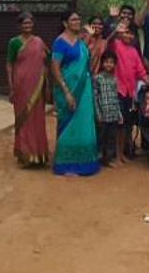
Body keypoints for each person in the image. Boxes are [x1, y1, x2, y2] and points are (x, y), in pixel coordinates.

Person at [49, 12, 100, 177]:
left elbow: (83, 57)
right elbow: (55, 68)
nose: (77, 22)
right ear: (65, 23)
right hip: (67, 89)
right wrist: (66, 91)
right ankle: (65, 164)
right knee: (67, 124)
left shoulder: (80, 41)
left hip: (84, 89)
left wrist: (89, 37)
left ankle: (85, 163)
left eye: (79, 19)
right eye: (73, 19)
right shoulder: (60, 42)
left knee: (84, 123)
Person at [6, 12, 51, 168]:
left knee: (37, 118)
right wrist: (11, 86)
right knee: (22, 118)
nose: (27, 26)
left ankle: (38, 154)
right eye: (25, 23)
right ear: (20, 26)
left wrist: (46, 83)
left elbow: (47, 60)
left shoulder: (38, 42)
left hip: (37, 85)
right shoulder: (14, 43)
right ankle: (25, 154)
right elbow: (9, 64)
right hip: (20, 85)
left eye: (30, 23)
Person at [110, 18, 145, 157]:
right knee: (118, 124)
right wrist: (115, 31)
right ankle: (116, 154)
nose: (128, 36)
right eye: (126, 33)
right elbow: (108, 43)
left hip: (130, 92)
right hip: (117, 90)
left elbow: (141, 71)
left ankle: (124, 151)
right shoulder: (116, 45)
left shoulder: (134, 51)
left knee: (127, 124)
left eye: (131, 34)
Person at [92, 50, 124, 167]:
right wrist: (98, 114)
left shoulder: (114, 79)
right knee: (101, 137)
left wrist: (119, 115)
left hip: (113, 115)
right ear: (102, 63)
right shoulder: (97, 79)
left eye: (111, 62)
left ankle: (108, 159)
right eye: (106, 62)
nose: (109, 65)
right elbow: (95, 97)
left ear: (115, 64)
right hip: (103, 115)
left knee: (111, 138)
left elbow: (116, 97)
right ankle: (98, 158)